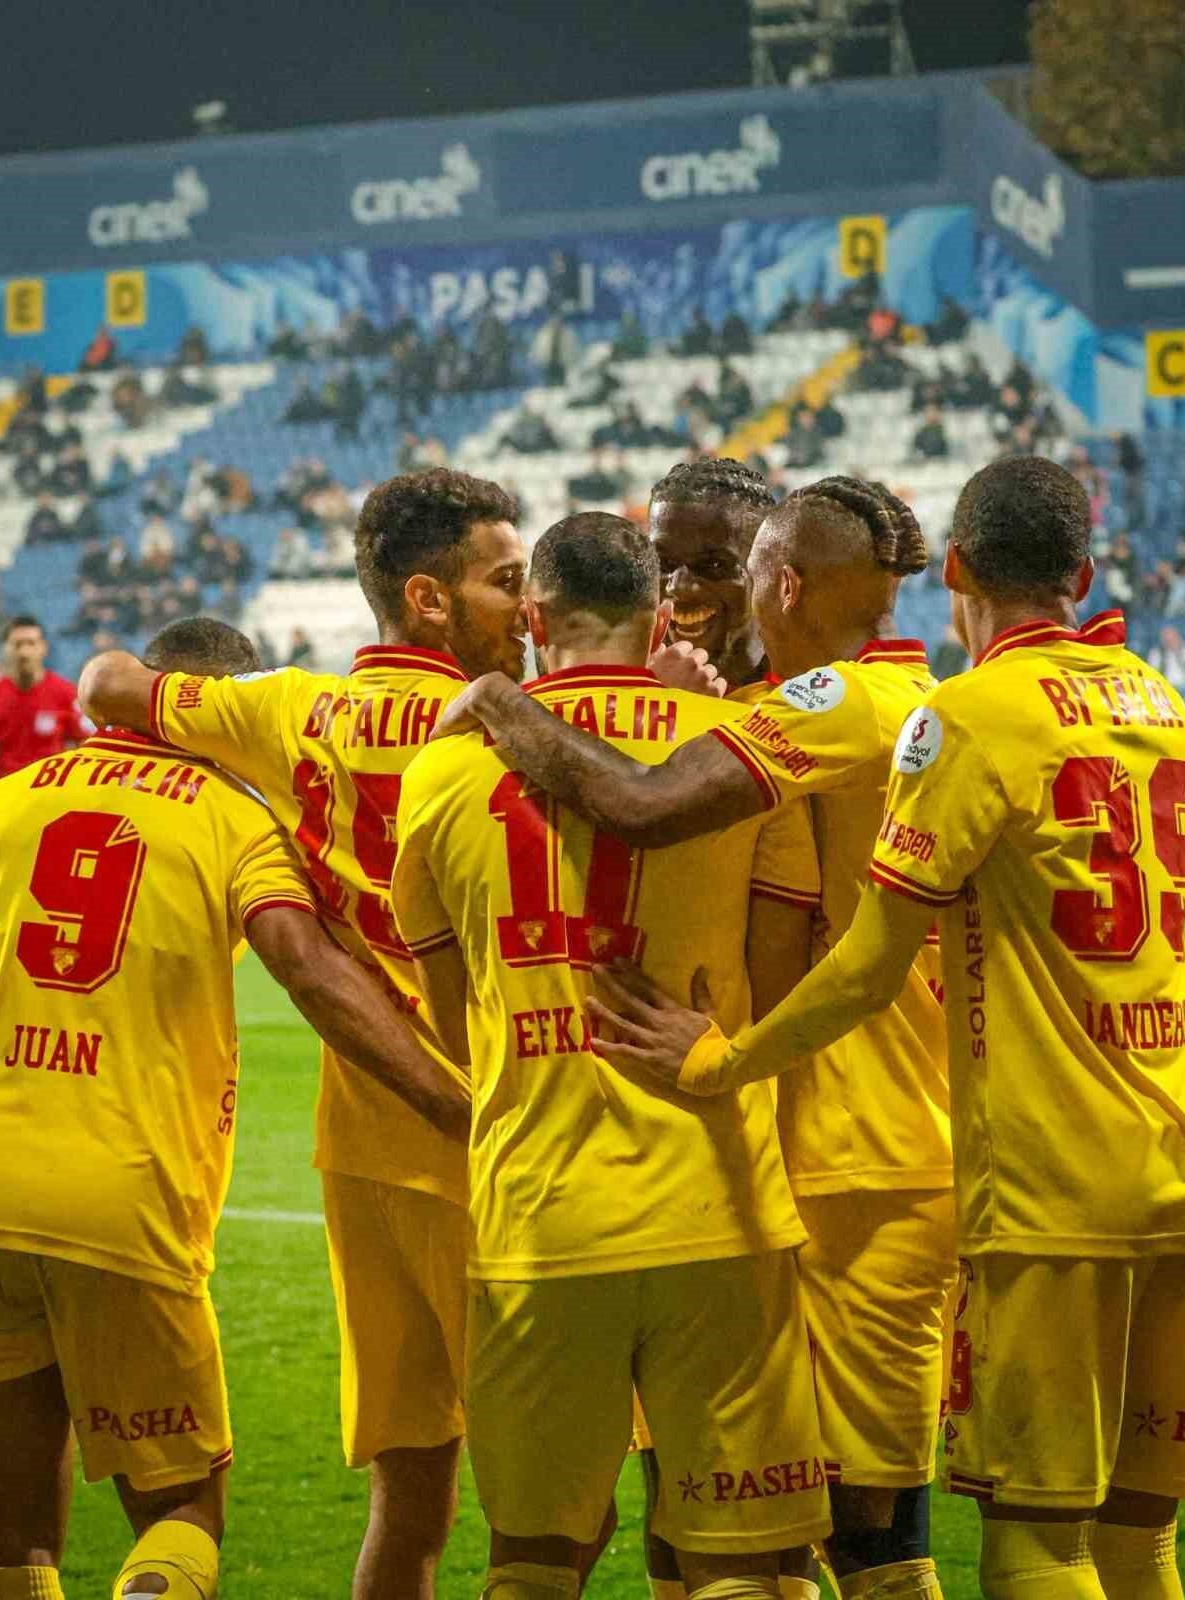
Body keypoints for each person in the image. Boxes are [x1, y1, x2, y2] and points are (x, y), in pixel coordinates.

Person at [598, 454, 1185, 1600]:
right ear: (1082, 574)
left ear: (958, 572)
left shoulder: (955, 716)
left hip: (1042, 1178)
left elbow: (863, 958)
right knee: (1136, 1539)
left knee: (1023, 1544)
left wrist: (723, 1060)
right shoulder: (1154, 696)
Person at [432, 477, 954, 1600]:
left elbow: (652, 811)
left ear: (777, 575)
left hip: (855, 1155)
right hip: (742, 1169)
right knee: (706, 1526)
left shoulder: (819, 709)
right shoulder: (754, 712)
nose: (683, 592)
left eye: (714, 566)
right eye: (663, 566)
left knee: (862, 1535)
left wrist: (508, 702)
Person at [0, 616, 469, 1600]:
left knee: (13, 1540)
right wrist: (453, 1102)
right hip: (123, 1199)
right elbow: (310, 971)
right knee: (182, 1513)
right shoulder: (235, 821)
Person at [79, 468, 532, 1600]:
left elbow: (107, 680)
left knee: (410, 1499)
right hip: (504, 1134)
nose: (526, 608)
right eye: (506, 581)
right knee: (549, 1518)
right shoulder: (528, 729)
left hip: (366, 1145)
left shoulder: (292, 710)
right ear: (428, 598)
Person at [392, 511, 829, 1600]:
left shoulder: (440, 773)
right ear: (659, 619)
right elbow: (781, 985)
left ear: (536, 622)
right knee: (743, 1568)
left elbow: (452, 1016)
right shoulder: (742, 751)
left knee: (532, 1566)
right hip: (719, 1202)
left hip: (539, 1211)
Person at [650, 458, 776, 701]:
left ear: (767, 572)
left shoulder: (810, 697)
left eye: (714, 565)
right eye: (663, 563)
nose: (679, 587)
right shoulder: (616, 689)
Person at [0, 618, 90, 795]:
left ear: (43, 647)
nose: (24, 652)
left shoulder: (65, 692)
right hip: (6, 792)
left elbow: (84, 744)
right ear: (6, 649)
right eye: (17, 644)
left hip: (49, 794)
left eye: (31, 643)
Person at [1147, 623, 1185, 687]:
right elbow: (1152, 670)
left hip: (1184, 686)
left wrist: (1179, 652)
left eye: (1172, 638)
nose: (1169, 641)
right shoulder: (1156, 653)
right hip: (1163, 686)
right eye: (1166, 638)